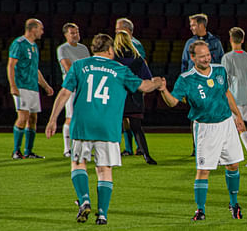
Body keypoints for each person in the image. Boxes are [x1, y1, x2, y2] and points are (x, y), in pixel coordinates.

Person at [45, 34, 162, 225]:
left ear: (93, 50)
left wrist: (52, 120)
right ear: (110, 50)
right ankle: (102, 215)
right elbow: (143, 86)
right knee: (104, 170)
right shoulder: (119, 69)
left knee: (78, 162)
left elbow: (65, 92)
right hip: (108, 126)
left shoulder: (80, 66)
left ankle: (84, 200)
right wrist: (157, 83)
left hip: (83, 123)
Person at [159, 40, 244, 220]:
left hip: (227, 123)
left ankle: (234, 203)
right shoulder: (186, 79)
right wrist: (163, 90)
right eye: (202, 56)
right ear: (192, 57)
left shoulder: (220, 70)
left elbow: (226, 93)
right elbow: (173, 102)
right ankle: (200, 210)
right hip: (206, 128)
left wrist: (238, 116)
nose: (207, 59)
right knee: (203, 170)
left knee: (233, 164)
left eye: (208, 55)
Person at [7, 18, 54, 159]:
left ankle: (28, 151)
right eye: (40, 28)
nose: (42, 31)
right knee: (23, 117)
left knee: (33, 118)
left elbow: (35, 69)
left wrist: (45, 86)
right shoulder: (18, 44)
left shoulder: (34, 46)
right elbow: (11, 65)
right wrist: (13, 85)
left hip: (33, 87)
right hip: (22, 86)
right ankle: (16, 151)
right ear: (33, 29)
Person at [181, 13, 225, 157]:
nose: (191, 27)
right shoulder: (189, 43)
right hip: (194, 85)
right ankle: (197, 147)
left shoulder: (215, 42)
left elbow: (221, 64)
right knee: (196, 116)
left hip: (212, 85)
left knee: (214, 116)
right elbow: (184, 65)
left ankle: (215, 147)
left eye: (193, 25)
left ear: (201, 25)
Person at [114, 30, 157, 165]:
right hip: (135, 96)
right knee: (137, 127)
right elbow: (148, 78)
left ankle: (113, 156)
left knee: (115, 127)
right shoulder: (138, 59)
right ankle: (146, 155)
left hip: (118, 96)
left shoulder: (114, 59)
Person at [221, 27, 247, 167]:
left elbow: (224, 82)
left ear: (230, 39)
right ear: (242, 40)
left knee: (234, 127)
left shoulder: (227, 58)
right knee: (239, 127)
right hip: (245, 97)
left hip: (233, 98)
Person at [57, 23, 90, 157]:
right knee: (70, 117)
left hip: (85, 86)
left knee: (85, 117)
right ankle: (67, 149)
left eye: (77, 32)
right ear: (66, 35)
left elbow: (89, 67)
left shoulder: (84, 48)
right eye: (72, 33)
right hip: (71, 86)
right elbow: (68, 67)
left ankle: (83, 148)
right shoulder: (62, 49)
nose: (76, 35)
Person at [116, 17, 147, 155]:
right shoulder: (131, 45)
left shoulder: (133, 44)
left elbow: (142, 62)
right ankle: (133, 148)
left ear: (127, 30)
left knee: (129, 120)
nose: (116, 31)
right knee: (129, 120)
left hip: (130, 87)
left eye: (118, 29)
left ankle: (133, 148)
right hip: (132, 87)